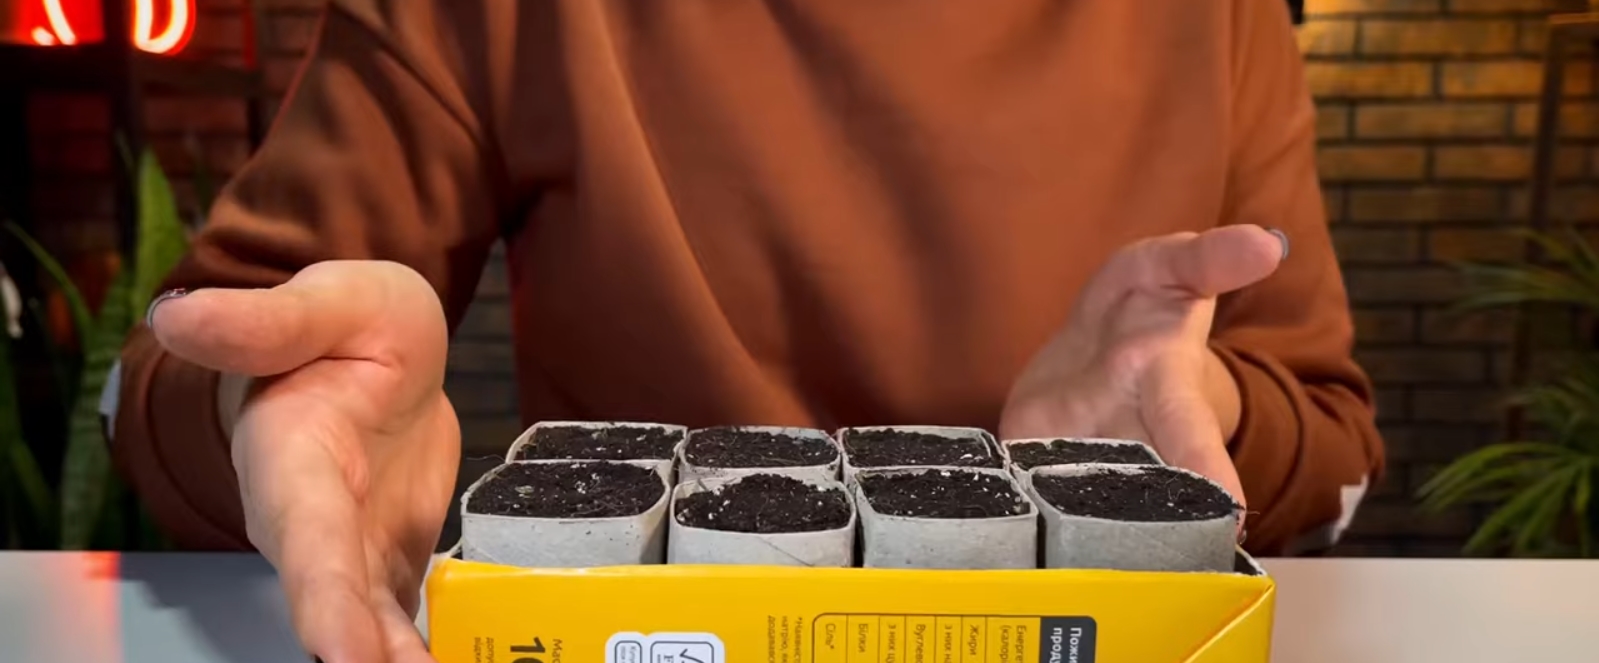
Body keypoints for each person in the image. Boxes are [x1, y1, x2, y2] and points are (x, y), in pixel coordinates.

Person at [104, 1, 1383, 662]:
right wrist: (264, 403)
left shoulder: (1218, 19)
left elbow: (1330, 445)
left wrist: (1178, 433)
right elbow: (167, 374)